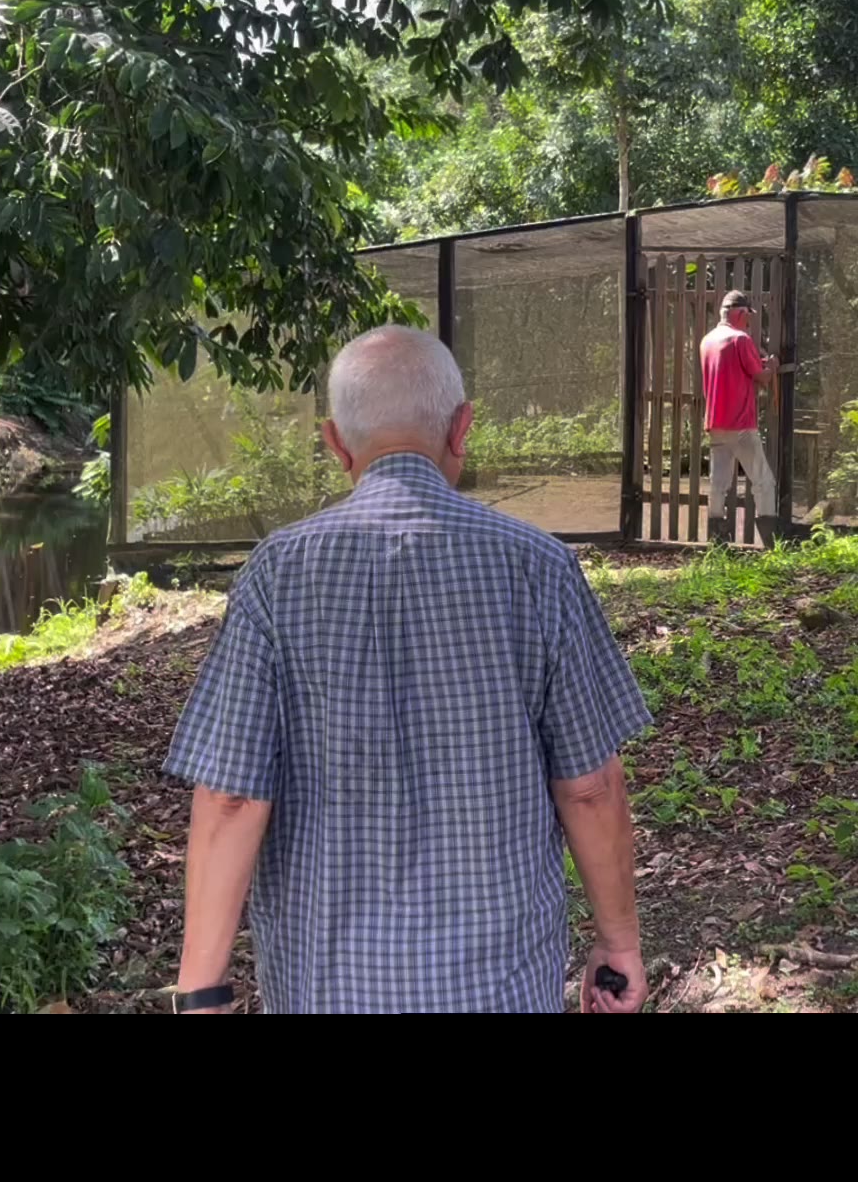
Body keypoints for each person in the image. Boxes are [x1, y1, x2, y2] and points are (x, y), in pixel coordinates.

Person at [163, 326, 650, 1015]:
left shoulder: (278, 573)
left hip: (327, 988)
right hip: (500, 987)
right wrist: (619, 942)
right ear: (463, 429)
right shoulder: (539, 566)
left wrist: (202, 992)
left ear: (336, 445)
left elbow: (233, 797)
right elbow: (592, 787)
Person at [700, 290, 779, 545]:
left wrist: (760, 363)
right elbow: (761, 377)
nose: (749, 322)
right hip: (741, 424)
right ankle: (771, 543)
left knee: (718, 483)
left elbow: (733, 368)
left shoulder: (708, 340)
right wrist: (773, 367)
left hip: (715, 423)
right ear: (740, 313)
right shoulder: (740, 339)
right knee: (763, 481)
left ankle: (717, 541)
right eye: (747, 317)